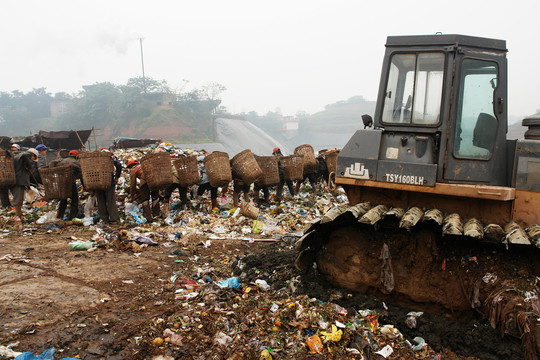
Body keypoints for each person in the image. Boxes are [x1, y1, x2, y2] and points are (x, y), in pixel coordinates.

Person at [53, 150, 83, 220]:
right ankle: (71, 217)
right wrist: (85, 186)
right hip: (71, 183)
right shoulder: (76, 163)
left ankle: (59, 216)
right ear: (76, 156)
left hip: (62, 183)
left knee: (63, 200)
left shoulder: (61, 162)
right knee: (75, 200)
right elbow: (81, 175)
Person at [11, 148, 39, 221]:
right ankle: (18, 215)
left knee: (18, 198)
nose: (32, 160)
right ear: (33, 154)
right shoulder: (26, 155)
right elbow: (28, 163)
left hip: (16, 180)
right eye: (33, 158)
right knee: (18, 199)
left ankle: (19, 214)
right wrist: (30, 166)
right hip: (19, 181)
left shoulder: (18, 157)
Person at [95, 151, 122, 224]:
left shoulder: (94, 160)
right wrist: (117, 176)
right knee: (111, 201)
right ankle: (114, 219)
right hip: (109, 181)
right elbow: (119, 165)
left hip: (97, 181)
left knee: (100, 201)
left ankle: (104, 220)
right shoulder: (110, 157)